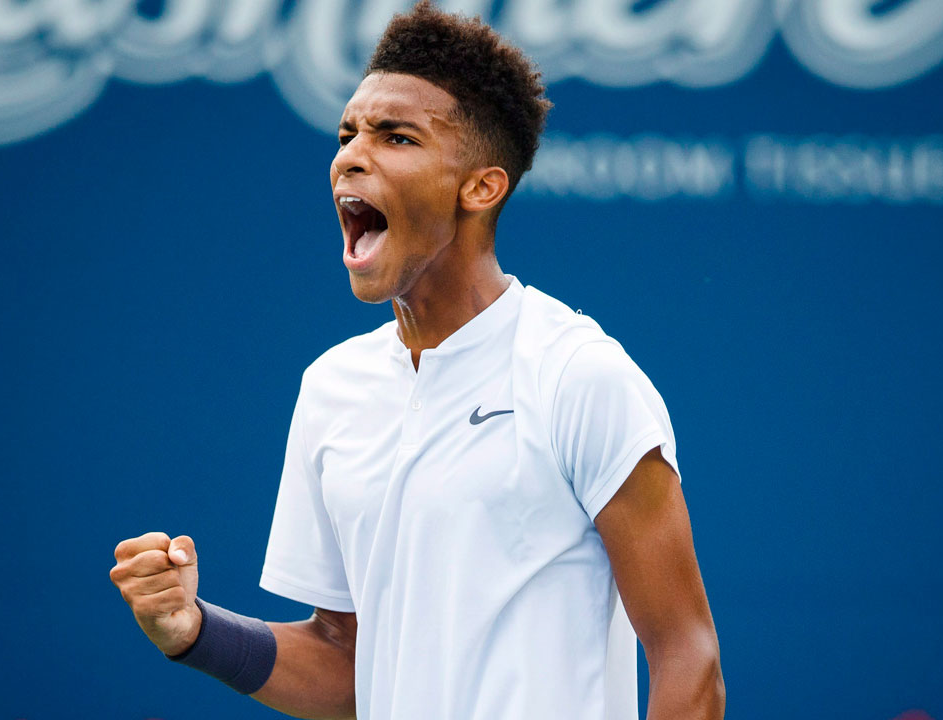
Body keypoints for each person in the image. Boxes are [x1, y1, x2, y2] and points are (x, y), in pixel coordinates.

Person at [109, 3, 724, 718]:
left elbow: (689, 659)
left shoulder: (579, 375)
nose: (352, 154)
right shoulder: (331, 388)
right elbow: (346, 662)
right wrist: (195, 631)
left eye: (396, 136)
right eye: (348, 133)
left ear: (481, 186)